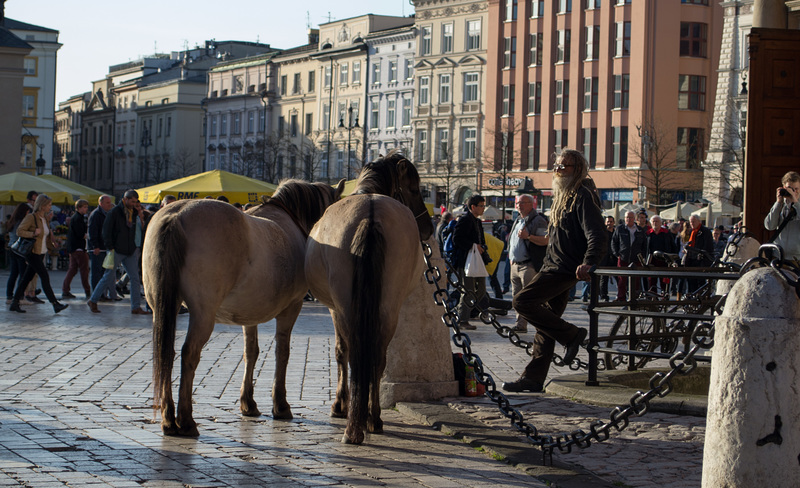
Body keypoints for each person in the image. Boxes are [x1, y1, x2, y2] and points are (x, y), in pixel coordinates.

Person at [503, 149, 607, 393]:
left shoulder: (582, 195)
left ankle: (572, 335)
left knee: (522, 301)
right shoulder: (563, 195)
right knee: (545, 324)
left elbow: (597, 233)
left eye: (564, 166)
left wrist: (589, 260)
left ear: (577, 169)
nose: (558, 170)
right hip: (553, 263)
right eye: (557, 166)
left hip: (564, 267)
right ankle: (533, 378)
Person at [87, 190, 150, 314]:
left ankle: (136, 307)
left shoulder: (134, 213)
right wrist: (110, 246)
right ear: (125, 199)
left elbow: (133, 231)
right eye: (131, 201)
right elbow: (106, 230)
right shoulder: (115, 212)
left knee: (135, 278)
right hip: (116, 249)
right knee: (108, 276)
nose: (133, 204)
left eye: (135, 202)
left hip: (129, 250)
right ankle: (93, 300)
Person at [9, 194, 68, 313]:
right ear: (42, 206)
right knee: (44, 276)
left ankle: (14, 303)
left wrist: (53, 246)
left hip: (41, 253)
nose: (50, 207)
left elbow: (46, 237)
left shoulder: (45, 218)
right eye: (49, 205)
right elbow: (20, 231)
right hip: (32, 253)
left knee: (26, 278)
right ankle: (55, 304)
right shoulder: (31, 217)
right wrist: (33, 233)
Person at [507, 194, 548, 332]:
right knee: (517, 298)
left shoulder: (538, 221)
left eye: (522, 203)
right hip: (515, 265)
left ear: (531, 204)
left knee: (530, 298)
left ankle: (540, 325)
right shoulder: (518, 220)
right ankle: (520, 324)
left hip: (528, 265)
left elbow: (545, 240)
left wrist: (529, 237)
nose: (519, 205)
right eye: (518, 203)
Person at [451, 195, 489, 330]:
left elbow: (481, 240)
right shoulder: (465, 220)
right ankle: (463, 319)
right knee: (469, 291)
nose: (483, 208)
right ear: (473, 207)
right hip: (466, 261)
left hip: (477, 260)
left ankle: (459, 311)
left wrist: (482, 247)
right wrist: (472, 246)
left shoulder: (477, 222)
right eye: (481, 206)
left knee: (481, 290)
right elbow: (457, 239)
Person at [764, 170, 800, 264]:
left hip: (797, 259)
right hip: (778, 256)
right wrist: (778, 203)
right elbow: (769, 226)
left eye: (796, 189)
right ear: (784, 187)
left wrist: (796, 203)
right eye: (790, 188)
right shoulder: (781, 206)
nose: (794, 192)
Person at [610, 210, 646, 301]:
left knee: (636, 279)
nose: (628, 219)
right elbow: (614, 242)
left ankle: (634, 297)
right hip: (623, 257)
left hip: (636, 258)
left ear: (634, 219)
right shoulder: (620, 229)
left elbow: (645, 245)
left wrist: (642, 256)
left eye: (630, 217)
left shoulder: (640, 230)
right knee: (622, 279)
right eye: (627, 217)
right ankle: (621, 297)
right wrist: (617, 254)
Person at [88, 195, 117, 301]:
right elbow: (92, 231)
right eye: (107, 203)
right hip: (98, 248)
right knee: (97, 272)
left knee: (104, 272)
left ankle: (102, 294)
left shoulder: (107, 214)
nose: (109, 205)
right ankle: (97, 294)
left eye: (110, 202)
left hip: (105, 247)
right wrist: (95, 246)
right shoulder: (96, 214)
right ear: (101, 203)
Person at [61, 199, 92, 299]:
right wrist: (87, 235)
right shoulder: (78, 218)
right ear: (79, 208)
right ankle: (87, 290)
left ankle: (65, 289)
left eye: (86, 207)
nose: (86, 209)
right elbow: (80, 234)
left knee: (72, 269)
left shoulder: (76, 217)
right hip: (78, 248)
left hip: (73, 247)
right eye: (84, 207)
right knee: (84, 270)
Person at [582, 215, 616, 302]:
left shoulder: (616, 232)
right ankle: (603, 295)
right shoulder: (602, 233)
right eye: (608, 221)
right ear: (605, 223)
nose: (609, 223)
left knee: (619, 277)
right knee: (603, 278)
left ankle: (622, 295)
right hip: (604, 257)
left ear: (614, 223)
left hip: (614, 257)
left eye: (611, 221)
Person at [5, 202, 33, 303]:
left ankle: (9, 296)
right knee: (22, 274)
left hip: (12, 248)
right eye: (27, 212)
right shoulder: (22, 222)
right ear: (24, 212)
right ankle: (20, 296)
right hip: (20, 250)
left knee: (13, 274)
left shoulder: (12, 221)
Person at [645, 214, 678, 294]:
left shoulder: (666, 233)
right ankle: (653, 298)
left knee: (664, 282)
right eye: (653, 221)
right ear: (651, 223)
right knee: (652, 282)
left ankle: (664, 297)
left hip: (664, 261)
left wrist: (674, 260)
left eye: (657, 221)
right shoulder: (648, 234)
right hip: (652, 261)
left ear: (661, 223)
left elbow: (673, 246)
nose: (655, 223)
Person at [683, 215, 715, 294]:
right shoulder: (692, 232)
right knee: (691, 281)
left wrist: (701, 254)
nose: (692, 223)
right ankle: (691, 297)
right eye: (690, 222)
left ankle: (701, 298)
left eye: (693, 221)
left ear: (698, 221)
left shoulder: (705, 231)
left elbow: (708, 246)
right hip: (692, 259)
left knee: (701, 281)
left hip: (701, 260)